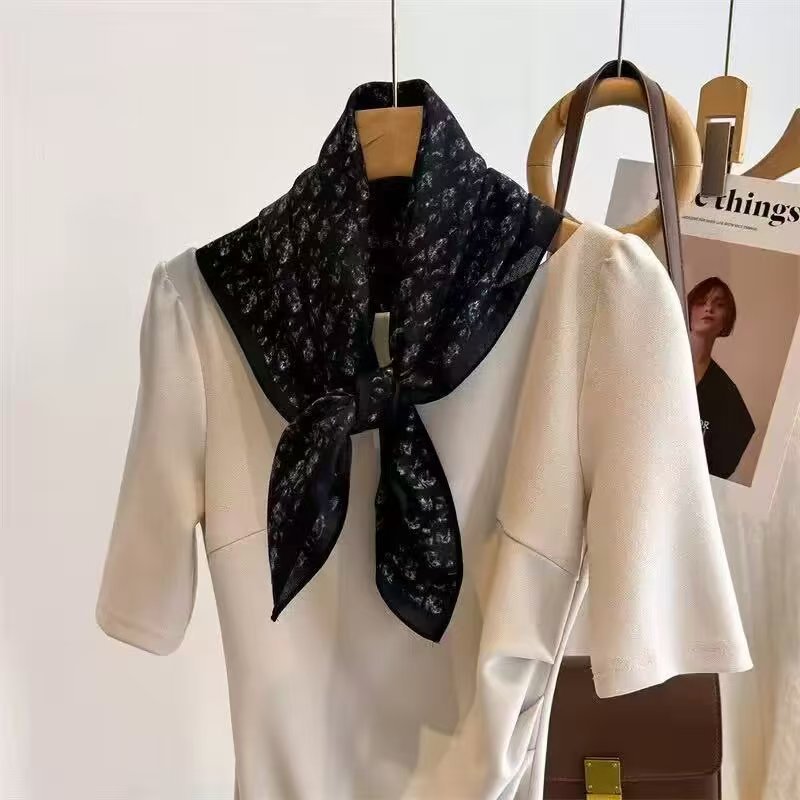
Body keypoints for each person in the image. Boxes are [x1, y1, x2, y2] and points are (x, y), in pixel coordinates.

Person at [688, 276, 755, 479]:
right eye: (702, 302)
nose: (709, 308)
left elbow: (738, 436)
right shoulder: (657, 363)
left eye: (719, 304)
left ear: (726, 319)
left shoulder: (726, 395)